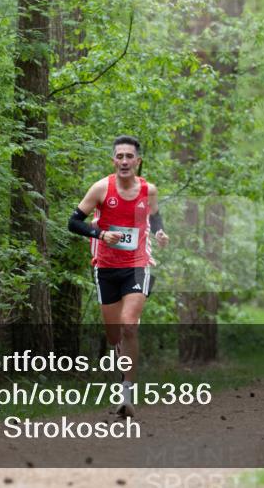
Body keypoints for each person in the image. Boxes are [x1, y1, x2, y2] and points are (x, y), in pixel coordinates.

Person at [67, 135, 169, 417]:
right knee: (114, 336)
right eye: (119, 157)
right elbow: (73, 222)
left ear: (138, 161)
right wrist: (100, 233)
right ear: (113, 160)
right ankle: (121, 379)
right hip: (106, 267)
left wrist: (159, 231)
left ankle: (127, 395)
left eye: (129, 157)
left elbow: (155, 216)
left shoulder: (149, 190)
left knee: (129, 326)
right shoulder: (101, 188)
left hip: (137, 264)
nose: (124, 161)